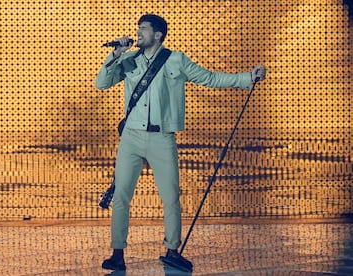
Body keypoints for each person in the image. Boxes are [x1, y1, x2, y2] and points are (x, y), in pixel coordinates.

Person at [95, 13, 266, 272]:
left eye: (143, 29)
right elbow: (102, 83)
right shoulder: (129, 60)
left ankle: (172, 250)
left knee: (171, 197)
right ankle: (117, 253)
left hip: (162, 138)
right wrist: (116, 55)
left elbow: (210, 78)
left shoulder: (175, 60)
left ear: (158, 35)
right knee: (121, 196)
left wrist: (247, 78)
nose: (138, 33)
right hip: (131, 136)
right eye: (138, 28)